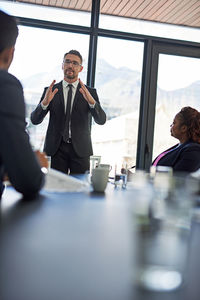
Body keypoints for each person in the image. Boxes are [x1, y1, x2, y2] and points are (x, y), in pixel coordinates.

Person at [31, 50, 106, 174]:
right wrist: (44, 104)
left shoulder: (90, 92)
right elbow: (34, 120)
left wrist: (92, 103)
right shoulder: (50, 91)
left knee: (81, 189)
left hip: (81, 150)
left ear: (80, 68)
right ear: (62, 65)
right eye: (68, 62)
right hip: (56, 149)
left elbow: (101, 120)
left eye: (75, 63)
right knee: (57, 190)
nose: (71, 65)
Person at [0, 10, 47, 199]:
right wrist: (35, 164)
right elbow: (30, 180)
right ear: (10, 53)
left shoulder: (89, 93)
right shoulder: (5, 85)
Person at [152, 106, 200, 172]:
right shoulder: (180, 146)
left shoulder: (193, 151)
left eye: (174, 123)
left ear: (184, 128)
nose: (171, 126)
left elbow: (178, 178)